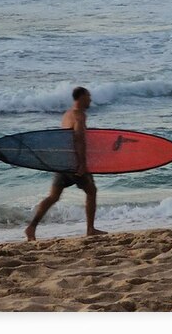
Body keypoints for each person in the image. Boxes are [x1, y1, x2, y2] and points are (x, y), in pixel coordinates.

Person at [25, 86, 108, 241]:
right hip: (74, 163)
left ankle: (31, 227)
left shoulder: (67, 114)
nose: (90, 99)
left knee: (53, 197)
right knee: (92, 191)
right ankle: (90, 229)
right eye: (88, 96)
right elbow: (79, 140)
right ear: (81, 97)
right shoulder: (79, 116)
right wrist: (82, 164)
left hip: (62, 163)